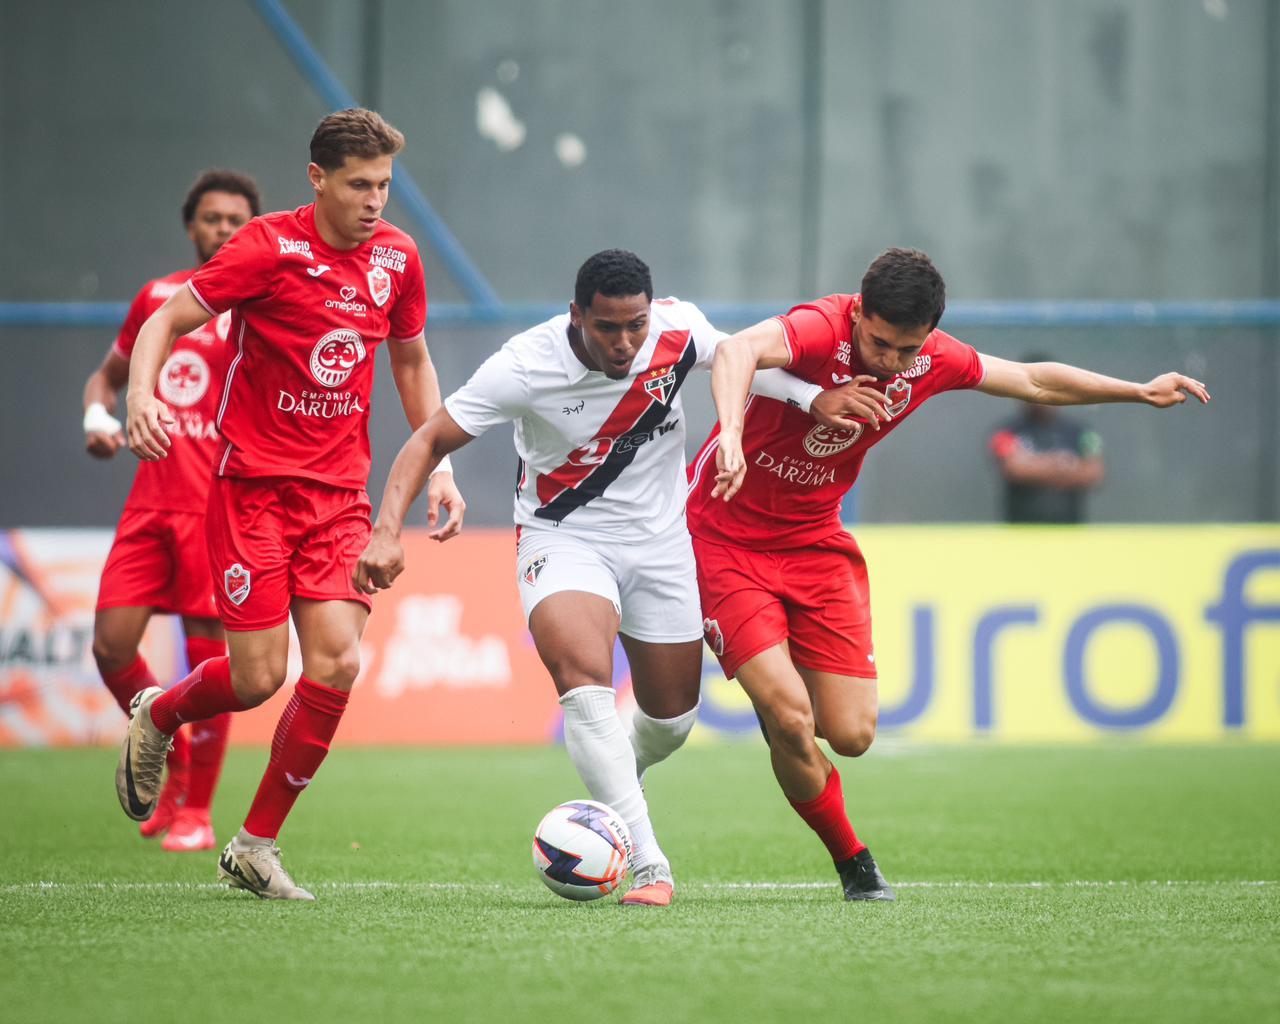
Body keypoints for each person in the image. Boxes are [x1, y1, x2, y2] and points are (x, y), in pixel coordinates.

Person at [687, 247, 1210, 901]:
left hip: (814, 541)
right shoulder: (819, 326)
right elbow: (735, 350)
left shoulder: (931, 359)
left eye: (907, 349)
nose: (891, 361)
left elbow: (1033, 381)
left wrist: (1135, 391)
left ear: (929, 334)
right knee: (792, 719)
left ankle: (780, 702)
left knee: (851, 735)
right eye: (879, 343)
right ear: (859, 313)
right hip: (725, 537)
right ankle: (854, 862)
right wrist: (731, 433)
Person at [351, 250, 825, 907]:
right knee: (585, 684)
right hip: (562, 538)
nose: (625, 342)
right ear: (577, 315)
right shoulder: (526, 365)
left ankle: (612, 781)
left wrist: (814, 397)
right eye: (607, 327)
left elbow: (741, 360)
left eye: (635, 325)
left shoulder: (679, 329)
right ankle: (649, 865)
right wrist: (385, 530)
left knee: (672, 721)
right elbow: (429, 438)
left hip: (661, 543)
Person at [114, 108, 464, 900]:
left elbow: (411, 362)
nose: (375, 200)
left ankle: (255, 846)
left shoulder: (398, 257)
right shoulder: (266, 248)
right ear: (317, 179)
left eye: (384, 184)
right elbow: (166, 319)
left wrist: (439, 466)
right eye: (359, 184)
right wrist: (140, 396)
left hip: (338, 497)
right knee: (257, 678)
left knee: (338, 662)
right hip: (253, 492)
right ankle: (160, 714)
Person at [83, 169, 260, 852]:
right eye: (212, 218)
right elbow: (105, 379)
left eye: (236, 220)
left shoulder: (262, 307)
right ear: (191, 227)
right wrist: (98, 419)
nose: (223, 229)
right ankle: (169, 754)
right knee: (110, 646)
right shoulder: (158, 299)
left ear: (253, 229)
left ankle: (198, 811)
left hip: (217, 505)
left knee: (207, 654)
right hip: (151, 503)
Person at [989, 354, 1105, 523]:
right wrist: (1063, 464)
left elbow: (1093, 473)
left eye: (1049, 386)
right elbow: (1013, 470)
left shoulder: (1081, 432)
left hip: (1069, 527)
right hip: (1020, 527)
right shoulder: (1006, 431)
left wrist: (1033, 463)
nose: (1041, 395)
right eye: (1035, 386)